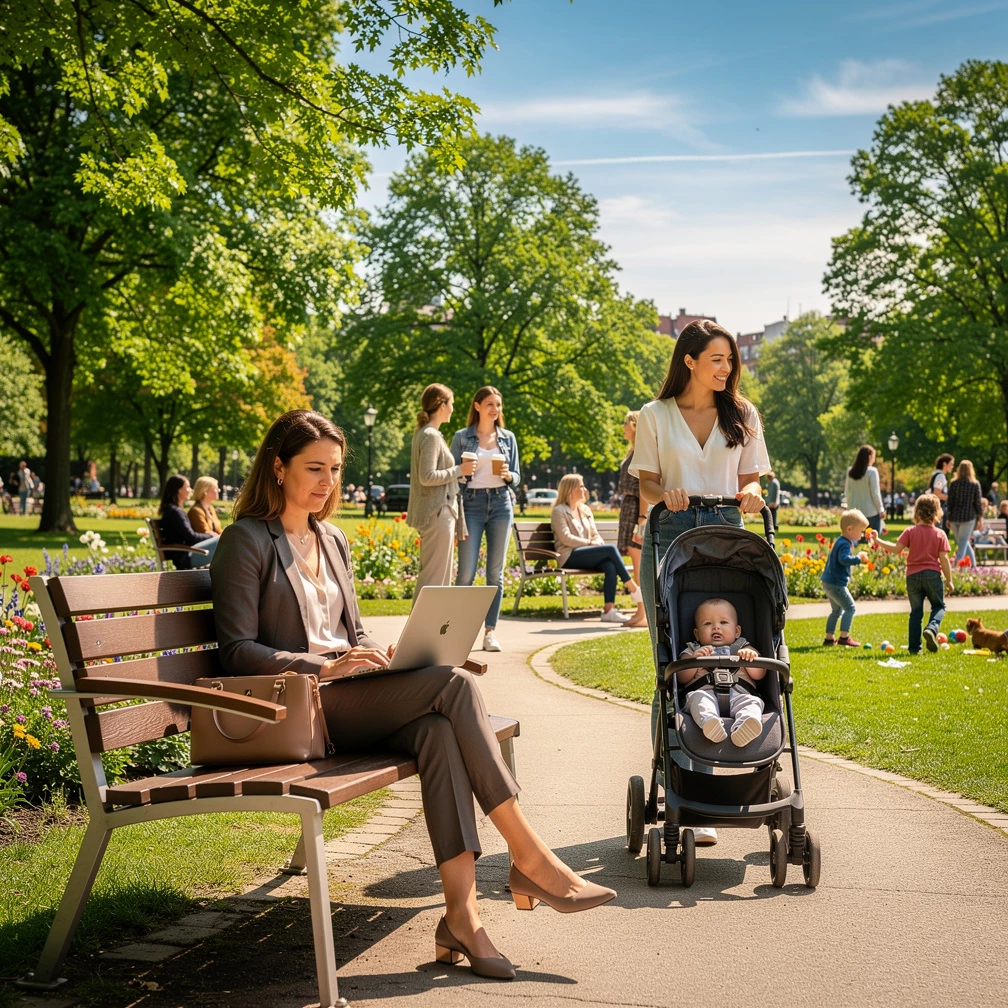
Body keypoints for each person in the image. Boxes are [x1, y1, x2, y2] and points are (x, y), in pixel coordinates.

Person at [210, 410, 615, 981]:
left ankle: (462, 917)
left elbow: (352, 633)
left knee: (437, 731)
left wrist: (386, 655)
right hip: (303, 706)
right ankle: (530, 857)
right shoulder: (246, 540)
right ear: (277, 468)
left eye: (335, 469)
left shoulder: (331, 539)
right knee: (455, 684)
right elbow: (236, 650)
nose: (328, 482)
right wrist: (325, 666)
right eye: (314, 468)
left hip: (353, 693)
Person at [629, 320, 770, 846]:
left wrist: (752, 492)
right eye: (717, 359)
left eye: (730, 360)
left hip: (727, 546)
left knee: (723, 658)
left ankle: (723, 783)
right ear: (689, 360)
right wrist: (668, 491)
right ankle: (683, 788)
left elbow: (749, 475)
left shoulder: (743, 414)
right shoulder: (655, 415)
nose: (726, 368)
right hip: (668, 541)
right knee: (675, 665)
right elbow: (645, 484)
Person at [450, 386, 520, 653]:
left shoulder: (508, 438)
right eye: (490, 404)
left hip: (501, 503)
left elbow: (517, 476)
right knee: (466, 574)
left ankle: (490, 632)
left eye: (498, 405)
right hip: (471, 505)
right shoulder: (461, 437)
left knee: (495, 574)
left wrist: (508, 475)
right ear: (477, 406)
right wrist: (463, 472)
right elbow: (453, 474)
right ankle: (457, 632)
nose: (495, 409)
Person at [407, 383, 474, 597]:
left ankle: (431, 629)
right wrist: (458, 470)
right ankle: (421, 630)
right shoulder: (431, 436)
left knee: (438, 580)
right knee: (434, 581)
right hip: (437, 512)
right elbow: (426, 477)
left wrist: (457, 474)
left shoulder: (427, 433)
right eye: (452, 403)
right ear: (442, 405)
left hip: (437, 512)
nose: (453, 409)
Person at [551, 474, 642, 623]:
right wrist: (589, 543)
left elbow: (595, 534)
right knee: (610, 550)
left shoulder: (585, 510)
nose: (584, 489)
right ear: (570, 489)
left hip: (585, 554)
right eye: (581, 486)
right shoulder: (559, 511)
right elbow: (565, 538)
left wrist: (597, 543)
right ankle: (632, 587)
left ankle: (608, 610)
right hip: (568, 556)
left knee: (609, 564)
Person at [870, 493, 953, 654]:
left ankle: (915, 649)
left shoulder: (910, 531)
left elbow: (896, 549)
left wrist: (877, 540)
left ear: (917, 512)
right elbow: (944, 559)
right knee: (939, 606)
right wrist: (949, 580)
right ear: (937, 513)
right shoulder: (940, 534)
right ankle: (932, 629)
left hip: (913, 577)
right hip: (932, 575)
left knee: (916, 613)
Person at [677, 598, 766, 747]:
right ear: (697, 634)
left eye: (723, 623)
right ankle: (710, 723)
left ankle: (744, 727)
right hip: (705, 693)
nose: (716, 628)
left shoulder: (743, 648)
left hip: (740, 695)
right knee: (698, 699)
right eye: (707, 624)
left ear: (737, 631)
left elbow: (760, 674)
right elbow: (681, 678)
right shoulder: (692, 649)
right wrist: (694, 660)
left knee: (753, 702)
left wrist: (750, 658)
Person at [820, 509, 871, 647]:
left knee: (836, 611)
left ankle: (829, 638)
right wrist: (858, 559)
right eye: (860, 531)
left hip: (828, 582)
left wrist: (857, 554)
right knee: (850, 608)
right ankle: (844, 637)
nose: (862, 535)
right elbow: (843, 559)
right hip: (836, 584)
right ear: (850, 529)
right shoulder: (844, 543)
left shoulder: (841, 541)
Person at [616, 410, 647, 627]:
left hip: (637, 509)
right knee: (635, 561)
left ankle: (642, 613)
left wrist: (642, 519)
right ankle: (640, 611)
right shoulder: (633, 451)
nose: (623, 427)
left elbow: (644, 488)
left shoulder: (643, 452)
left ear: (635, 425)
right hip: (629, 508)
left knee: (639, 563)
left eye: (626, 423)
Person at [158, 474, 220, 569]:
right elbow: (191, 537)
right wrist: (211, 535)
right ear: (179, 490)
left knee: (226, 539)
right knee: (224, 540)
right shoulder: (174, 512)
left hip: (188, 552)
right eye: (187, 487)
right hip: (185, 557)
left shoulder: (174, 510)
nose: (190, 490)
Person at [946, 460, 984, 567]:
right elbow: (977, 503)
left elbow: (950, 502)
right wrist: (980, 518)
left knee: (962, 542)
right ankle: (957, 566)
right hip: (968, 517)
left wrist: (948, 517)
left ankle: (972, 567)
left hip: (954, 517)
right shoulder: (975, 484)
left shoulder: (954, 483)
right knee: (963, 542)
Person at [844, 445, 884, 535]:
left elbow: (847, 492)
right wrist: (880, 509)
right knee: (872, 542)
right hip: (871, 512)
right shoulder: (872, 472)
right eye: (874, 457)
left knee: (855, 539)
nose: (874, 459)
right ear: (869, 457)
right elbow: (875, 493)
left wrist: (848, 508)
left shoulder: (850, 471)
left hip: (854, 512)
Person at [928, 453, 954, 533]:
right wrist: (950, 498)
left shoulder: (937, 475)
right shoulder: (940, 477)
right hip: (940, 508)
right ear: (944, 464)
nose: (952, 467)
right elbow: (937, 493)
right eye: (951, 464)